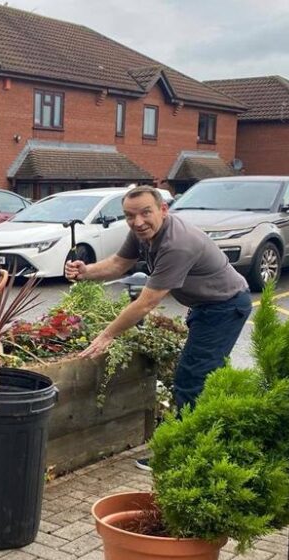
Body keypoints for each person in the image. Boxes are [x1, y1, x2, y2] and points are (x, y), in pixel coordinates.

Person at [70, 185, 251, 470]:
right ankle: (211, 440)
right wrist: (86, 271)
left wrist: (107, 335)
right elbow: (118, 264)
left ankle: (182, 455)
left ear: (163, 210)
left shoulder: (177, 244)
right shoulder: (142, 232)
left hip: (224, 308)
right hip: (207, 306)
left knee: (192, 380)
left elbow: (146, 303)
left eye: (145, 213)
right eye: (130, 216)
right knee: (202, 375)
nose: (138, 222)